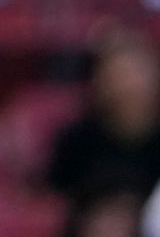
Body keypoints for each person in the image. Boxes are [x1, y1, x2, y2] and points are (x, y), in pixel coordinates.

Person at [47, 26, 160, 237]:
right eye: (119, 74)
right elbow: (56, 205)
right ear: (100, 81)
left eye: (137, 73)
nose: (130, 86)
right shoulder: (76, 141)